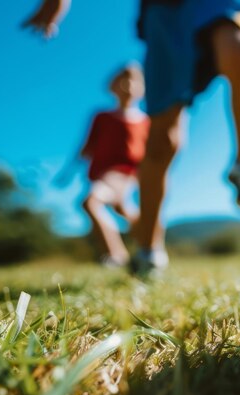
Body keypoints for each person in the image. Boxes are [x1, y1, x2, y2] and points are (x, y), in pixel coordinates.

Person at [23, 0, 240, 275]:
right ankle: (148, 249)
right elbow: (88, 147)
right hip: (166, 10)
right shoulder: (103, 116)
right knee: (163, 140)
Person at [79, 64, 150, 267]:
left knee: (91, 202)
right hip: (101, 172)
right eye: (123, 79)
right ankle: (150, 244)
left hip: (125, 172)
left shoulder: (145, 122)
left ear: (143, 89)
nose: (128, 84)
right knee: (124, 210)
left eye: (134, 80)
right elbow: (87, 147)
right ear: (113, 87)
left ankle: (116, 254)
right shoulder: (102, 117)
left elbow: (149, 154)